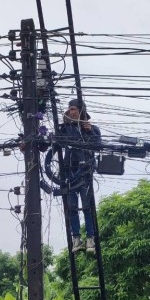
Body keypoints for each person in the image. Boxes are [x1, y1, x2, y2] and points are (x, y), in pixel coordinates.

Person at [57, 99, 101, 254]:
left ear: (81, 111)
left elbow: (98, 146)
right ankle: (76, 237)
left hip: (85, 172)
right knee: (72, 207)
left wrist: (89, 131)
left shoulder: (92, 129)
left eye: (73, 109)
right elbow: (56, 141)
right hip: (69, 172)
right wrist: (64, 121)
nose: (71, 112)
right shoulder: (66, 129)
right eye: (69, 110)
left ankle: (90, 238)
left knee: (87, 206)